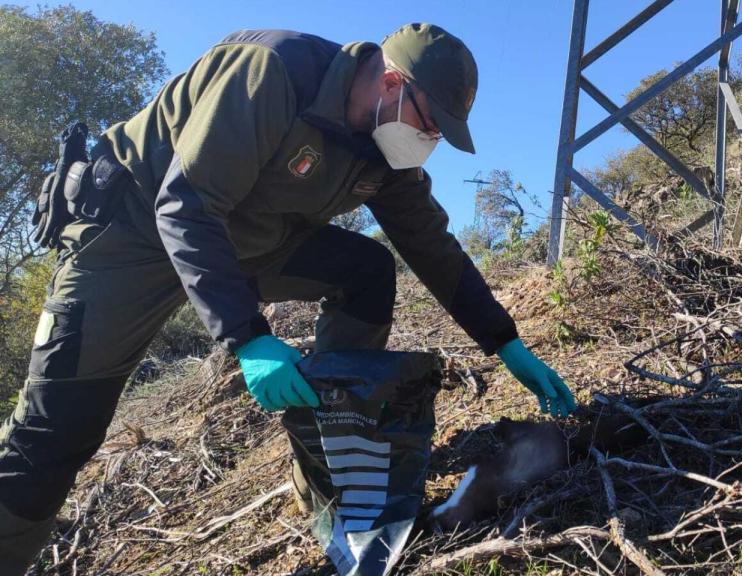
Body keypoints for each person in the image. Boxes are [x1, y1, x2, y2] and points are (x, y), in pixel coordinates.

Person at [0, 23, 577, 575]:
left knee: (367, 271)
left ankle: (334, 473)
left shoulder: (384, 150)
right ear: (393, 83)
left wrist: (506, 343)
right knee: (53, 437)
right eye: (429, 125)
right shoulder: (272, 73)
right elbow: (186, 208)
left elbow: (432, 246)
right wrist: (250, 339)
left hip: (242, 240)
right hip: (132, 236)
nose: (428, 143)